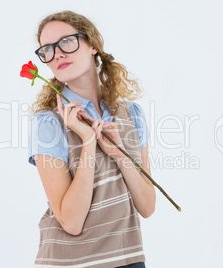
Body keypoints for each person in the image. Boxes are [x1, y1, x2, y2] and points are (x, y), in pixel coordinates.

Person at [28, 10, 156, 268]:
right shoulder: (49, 124)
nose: (57, 54)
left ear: (92, 45)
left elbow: (147, 206)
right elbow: (71, 222)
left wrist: (120, 155)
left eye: (66, 41)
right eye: (47, 50)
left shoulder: (132, 115)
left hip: (127, 259)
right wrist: (88, 142)